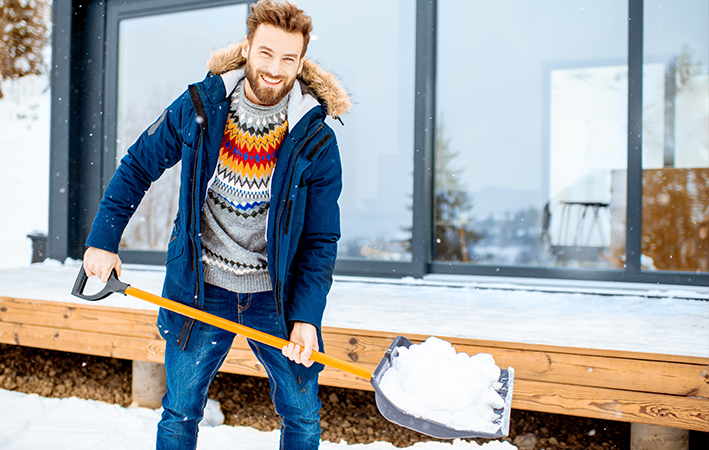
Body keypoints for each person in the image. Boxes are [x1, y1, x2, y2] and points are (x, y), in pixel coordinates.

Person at [82, 1, 351, 448]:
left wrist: (306, 316)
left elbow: (321, 239)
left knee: (303, 417)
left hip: (277, 296)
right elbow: (138, 166)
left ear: (301, 62)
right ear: (247, 47)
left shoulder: (315, 139)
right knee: (179, 413)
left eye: (288, 58)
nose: (274, 68)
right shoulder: (201, 106)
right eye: (265, 53)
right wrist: (103, 239)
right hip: (200, 287)